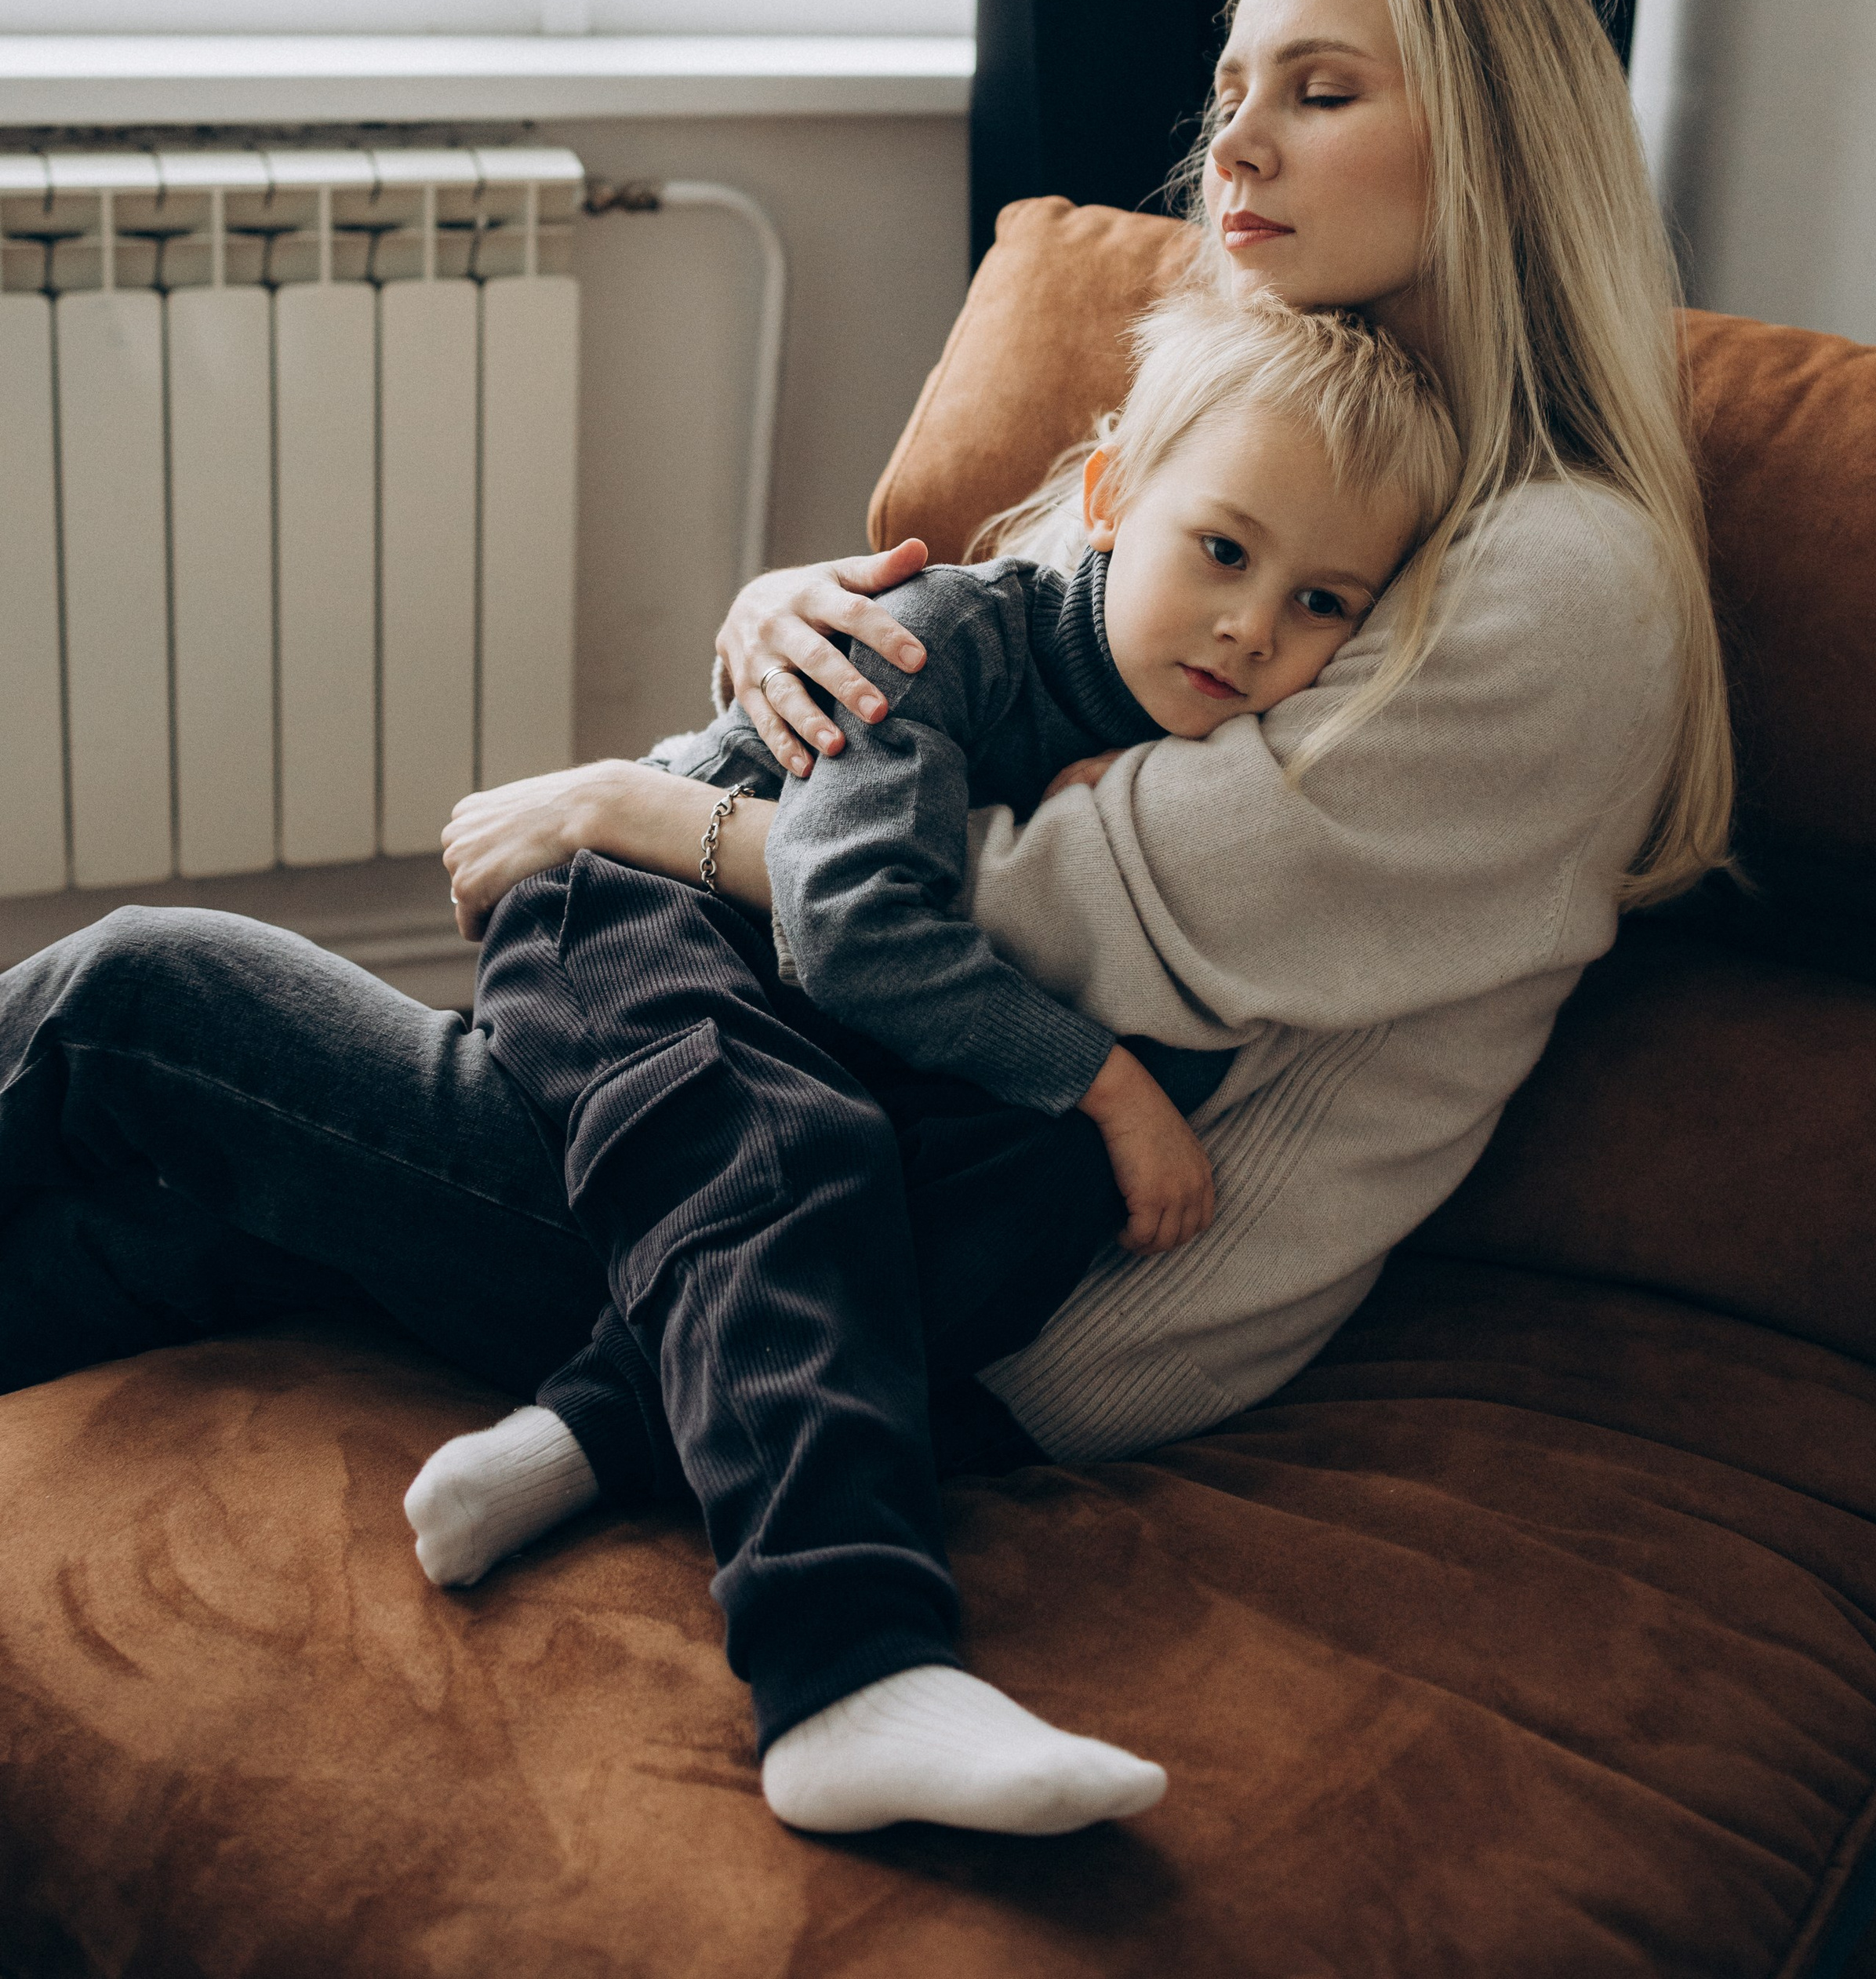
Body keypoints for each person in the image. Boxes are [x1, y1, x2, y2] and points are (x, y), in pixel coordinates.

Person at [0, 0, 1732, 1842]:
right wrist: (777, 622)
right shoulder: (1268, 415)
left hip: (995, 1250)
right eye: (1234, 83)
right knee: (180, 1220)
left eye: (1319, 93)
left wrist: (653, 811)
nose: (1231, 141)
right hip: (864, 1092)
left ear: (1496, 145)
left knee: (147, 1005)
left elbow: (1067, 926)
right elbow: (940, 682)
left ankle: (843, 1659)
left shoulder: (1556, 577)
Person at [403, 296, 1460, 1704]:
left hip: (825, 1021)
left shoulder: (1224, 747)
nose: (1254, 628)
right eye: (1221, 550)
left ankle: (597, 1430)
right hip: (629, 910)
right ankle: (832, 1643)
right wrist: (1108, 1081)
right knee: (812, 1143)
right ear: (1109, 499)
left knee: (1039, 1188)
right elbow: (852, 928)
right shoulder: (948, 636)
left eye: (1324, 602)